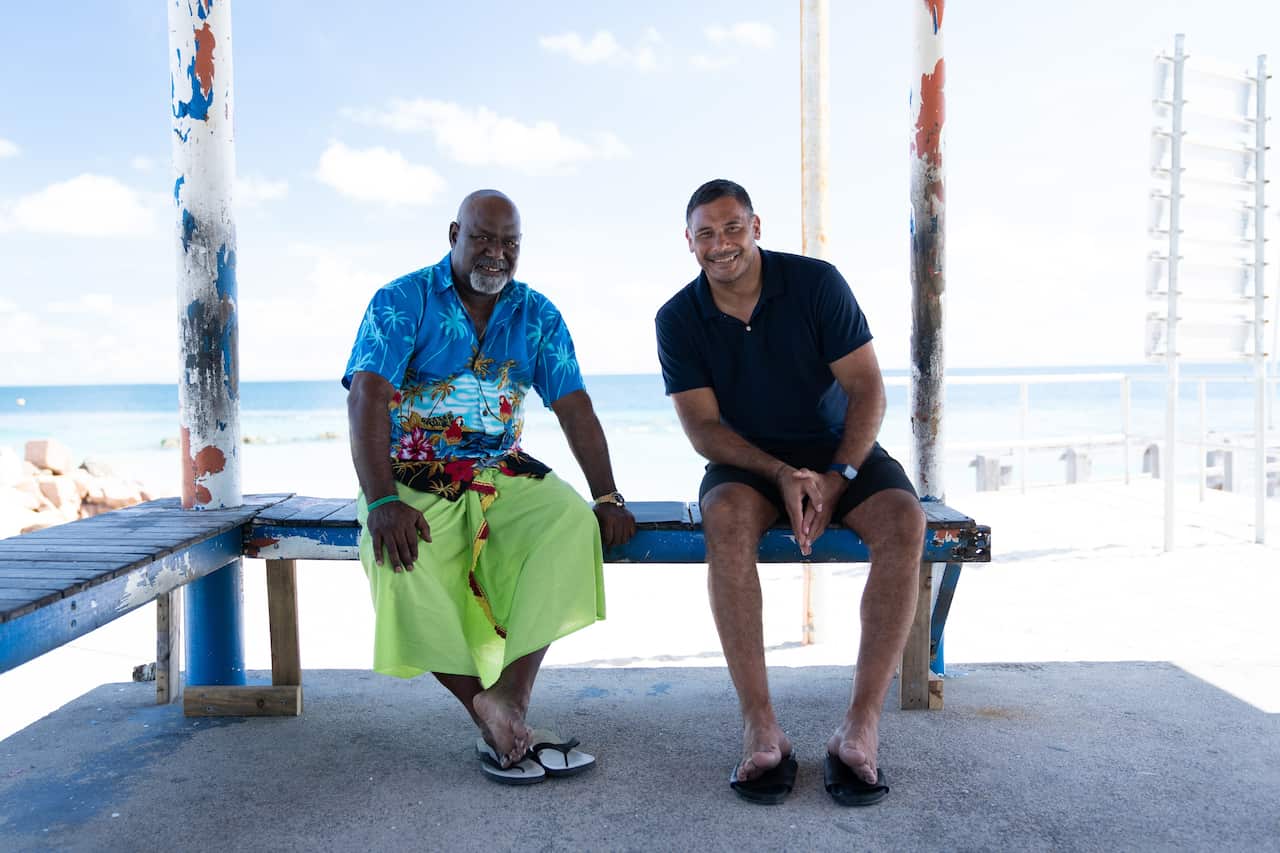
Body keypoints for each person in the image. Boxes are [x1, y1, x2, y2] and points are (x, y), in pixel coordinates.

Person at [343, 189, 635, 784]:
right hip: (411, 470)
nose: (496, 253)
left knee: (569, 526)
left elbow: (575, 407)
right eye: (483, 238)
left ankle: (509, 699)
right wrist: (381, 502)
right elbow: (367, 397)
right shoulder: (402, 300)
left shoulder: (536, 313)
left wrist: (606, 496)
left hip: (502, 467)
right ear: (454, 234)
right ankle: (483, 708)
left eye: (510, 242)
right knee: (404, 559)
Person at [654, 179, 925, 806]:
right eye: (705, 233)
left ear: (756, 226)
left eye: (732, 228)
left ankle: (861, 727)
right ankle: (761, 729)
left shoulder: (816, 284)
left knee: (904, 522)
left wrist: (839, 476)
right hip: (747, 462)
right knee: (722, 519)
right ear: (688, 242)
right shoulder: (677, 318)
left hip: (839, 451)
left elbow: (867, 390)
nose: (720, 244)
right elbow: (703, 428)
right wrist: (779, 472)